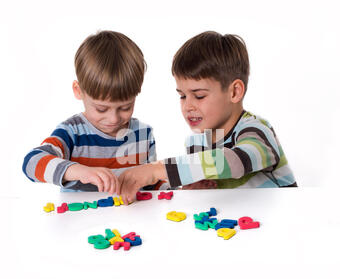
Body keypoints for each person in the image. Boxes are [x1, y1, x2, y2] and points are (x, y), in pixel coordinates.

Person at [117, 31, 297, 204]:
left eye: (199, 95)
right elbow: (212, 192)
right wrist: (192, 191)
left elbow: (235, 161)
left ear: (234, 92)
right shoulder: (197, 143)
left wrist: (158, 169)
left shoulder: (256, 131)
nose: (188, 106)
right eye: (182, 96)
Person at [22, 30, 168, 194]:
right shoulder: (72, 133)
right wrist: (79, 171)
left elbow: (150, 183)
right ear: (78, 91)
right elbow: (31, 162)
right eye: (101, 109)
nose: (113, 119)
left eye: (125, 107)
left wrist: (175, 189)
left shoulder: (143, 134)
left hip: (131, 217)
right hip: (80, 218)